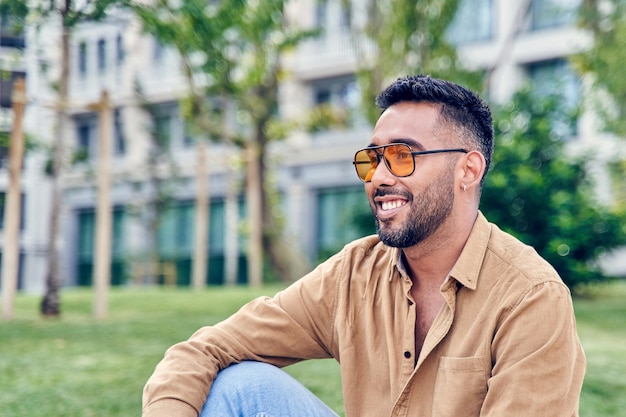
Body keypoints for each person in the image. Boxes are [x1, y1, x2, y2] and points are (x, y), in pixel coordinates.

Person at [142, 75, 586, 417]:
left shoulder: (531, 296)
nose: (378, 177)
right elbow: (203, 350)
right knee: (241, 385)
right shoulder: (353, 274)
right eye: (372, 158)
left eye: (402, 155)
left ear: (468, 170)